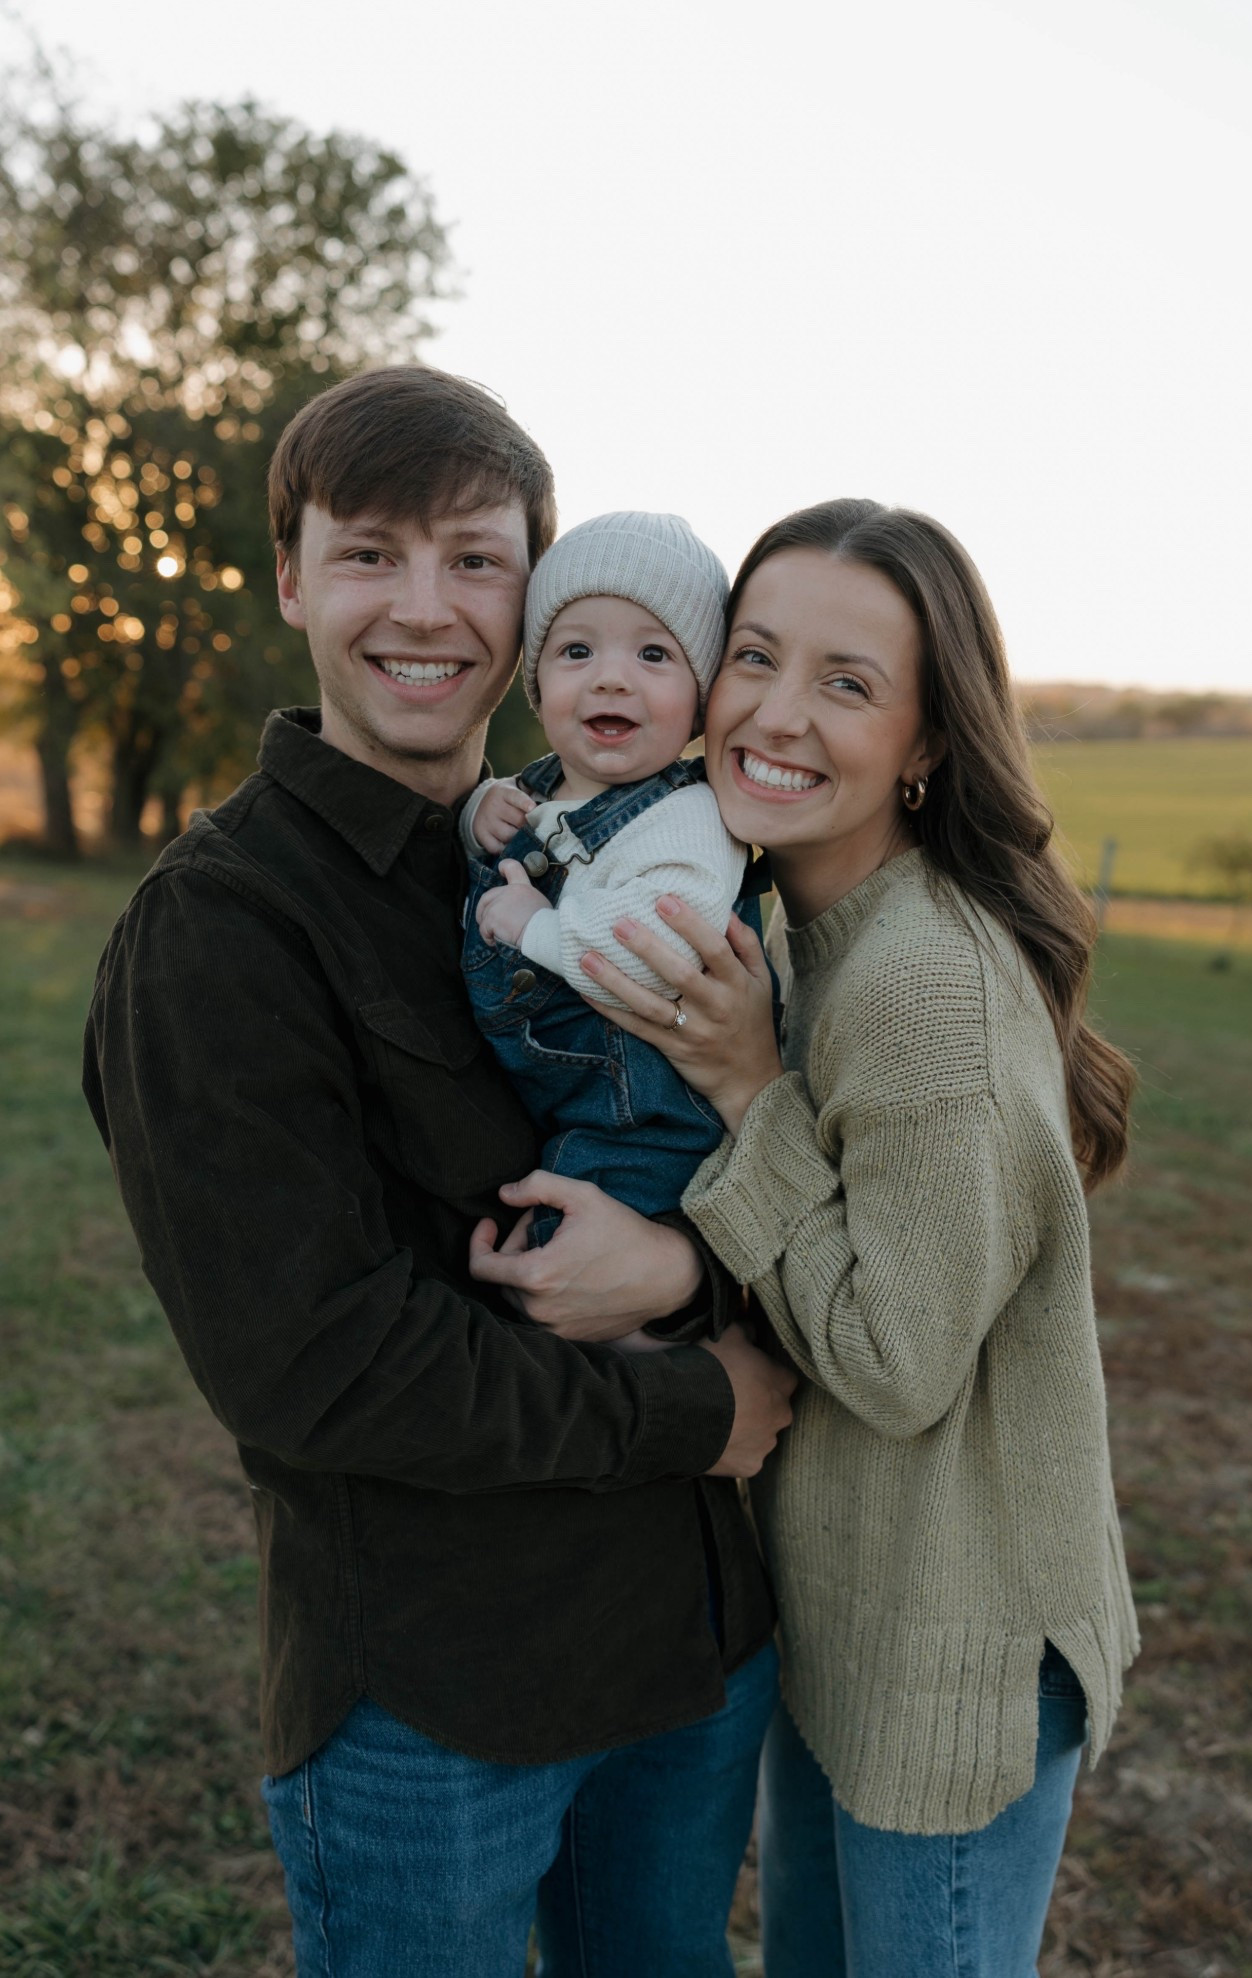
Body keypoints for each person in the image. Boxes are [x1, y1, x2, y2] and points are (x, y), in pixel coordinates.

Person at [81, 366, 796, 1978]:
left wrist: (688, 1276)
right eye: (371, 553)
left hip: (691, 1646)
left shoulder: (635, 851)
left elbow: (771, 1151)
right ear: (290, 579)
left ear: (534, 597)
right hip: (440, 1697)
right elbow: (313, 1368)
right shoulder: (220, 928)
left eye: (475, 558)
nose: (429, 607)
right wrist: (698, 1403)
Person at [524, 498, 1141, 1976]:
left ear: (928, 744)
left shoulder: (921, 985)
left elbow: (892, 1358)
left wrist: (748, 1086)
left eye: (848, 683)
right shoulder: (803, 920)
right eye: (754, 657)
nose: (775, 714)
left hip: (954, 1653)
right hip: (854, 1623)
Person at [461, 510, 765, 1266]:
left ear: (700, 699)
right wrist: (477, 814)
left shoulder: (691, 819)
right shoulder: (538, 790)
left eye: (654, 654)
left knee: (581, 1269)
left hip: (644, 1128)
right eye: (576, 649)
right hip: (561, 1106)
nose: (611, 675)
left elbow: (652, 945)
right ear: (537, 684)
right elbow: (534, 837)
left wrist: (536, 927)